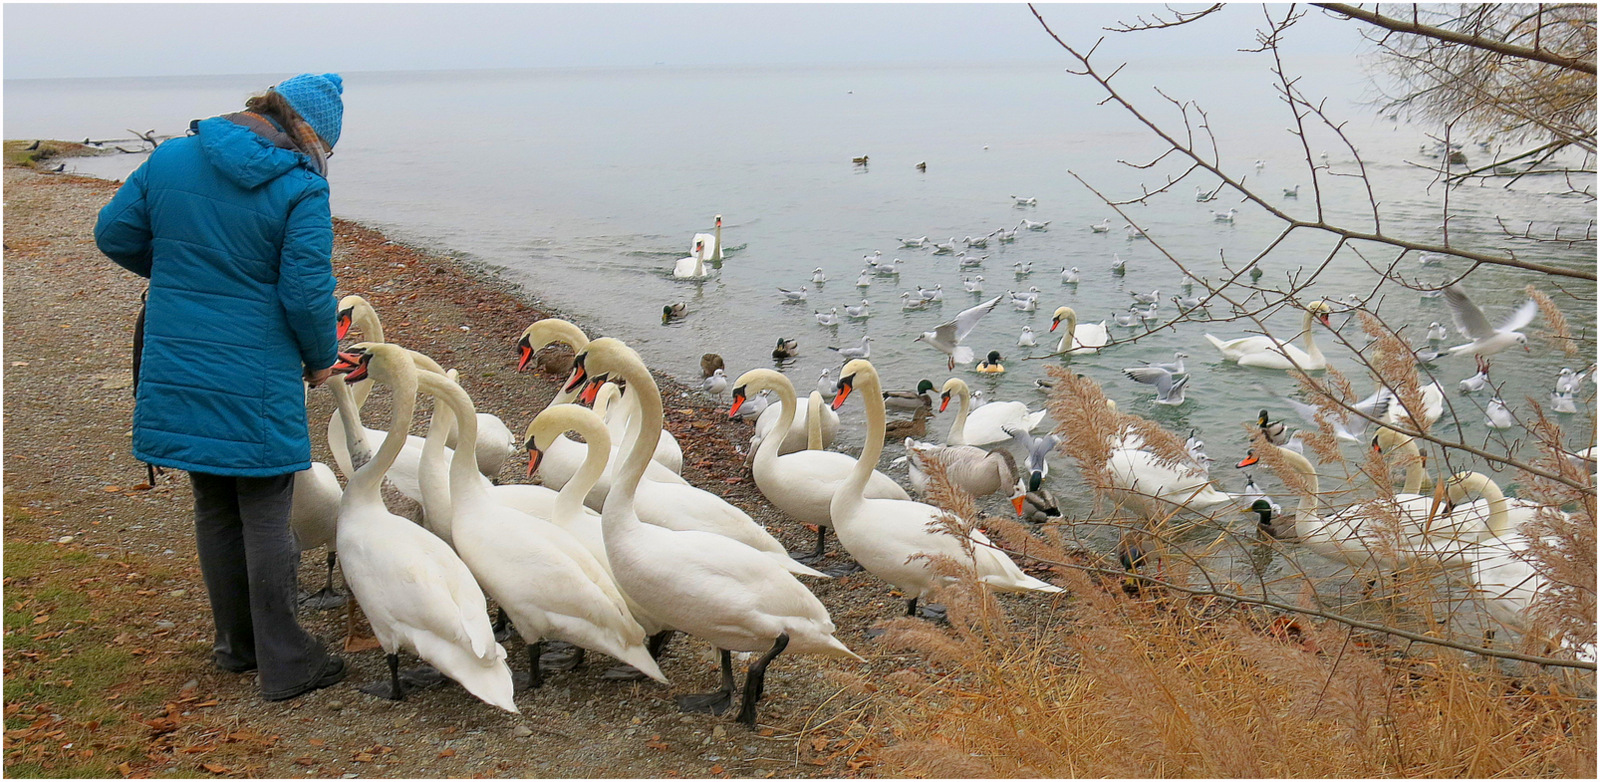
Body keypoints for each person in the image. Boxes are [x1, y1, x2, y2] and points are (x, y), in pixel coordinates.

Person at [94, 73, 348, 701]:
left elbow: (114, 234)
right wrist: (321, 358)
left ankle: (236, 645)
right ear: (307, 130)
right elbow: (307, 291)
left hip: (179, 348)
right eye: (329, 148)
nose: (326, 160)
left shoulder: (174, 156)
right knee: (265, 507)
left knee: (213, 497)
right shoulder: (299, 187)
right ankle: (286, 661)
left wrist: (187, 272)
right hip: (254, 363)